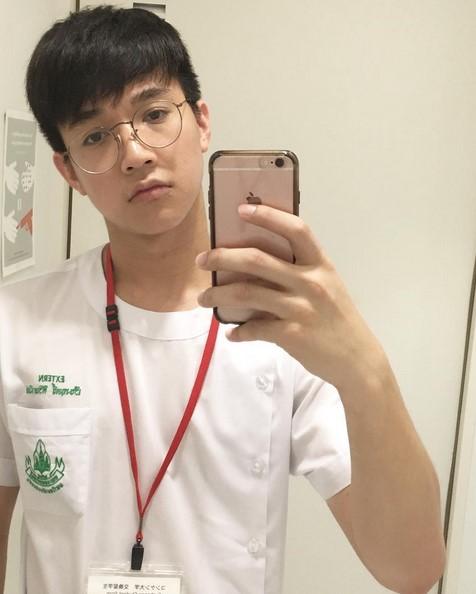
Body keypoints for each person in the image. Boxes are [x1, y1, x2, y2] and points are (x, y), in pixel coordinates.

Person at [0, 6, 445, 594]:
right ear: (70, 172)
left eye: (155, 114)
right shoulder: (16, 323)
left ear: (202, 122)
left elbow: (411, 568)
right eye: (96, 136)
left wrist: (366, 371)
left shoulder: (289, 324)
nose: (135, 153)